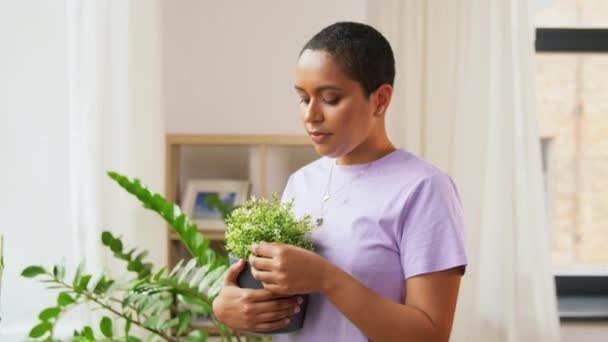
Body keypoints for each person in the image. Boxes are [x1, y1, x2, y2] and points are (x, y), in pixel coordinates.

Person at [213, 21, 467, 342]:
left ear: (380, 100)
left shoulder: (424, 189)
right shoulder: (301, 182)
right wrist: (229, 306)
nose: (311, 115)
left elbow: (430, 335)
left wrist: (326, 278)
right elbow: (287, 306)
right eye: (304, 99)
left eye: (330, 99)